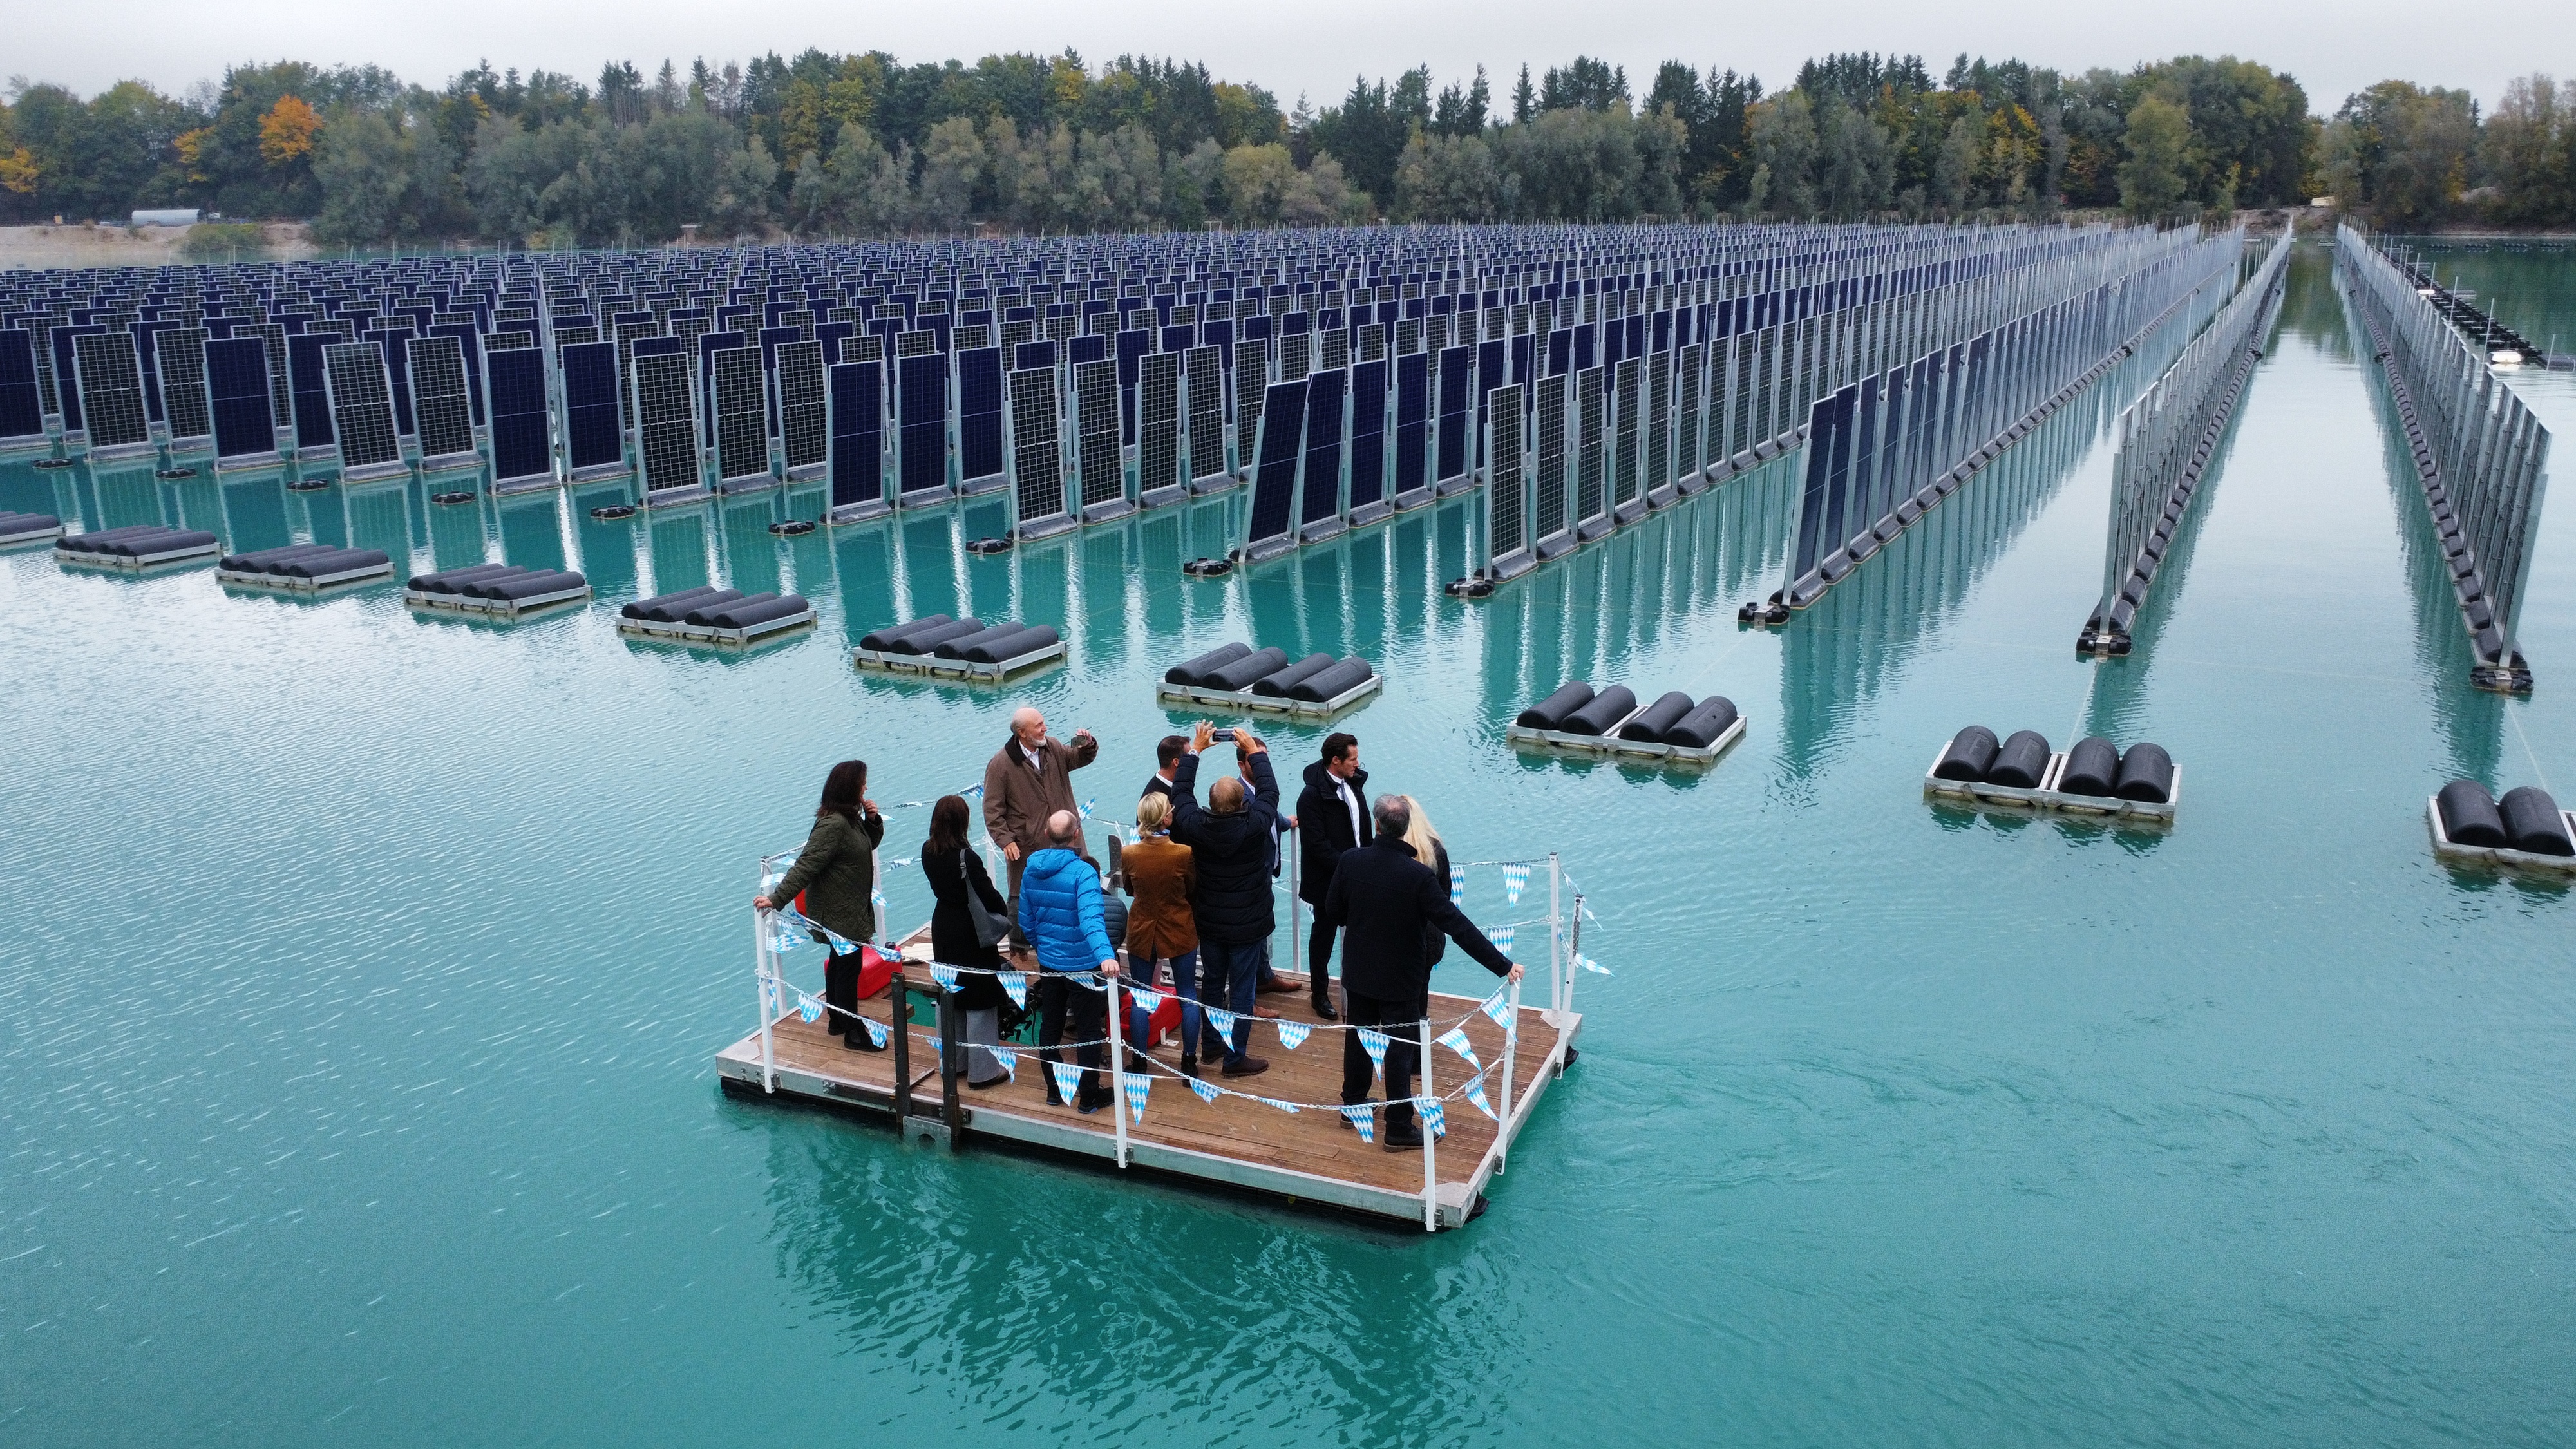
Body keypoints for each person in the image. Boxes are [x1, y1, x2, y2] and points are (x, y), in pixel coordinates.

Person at [1318, 795, 1524, 1150]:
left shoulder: (1351, 861)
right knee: (1400, 1051)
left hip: (1359, 972)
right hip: (1401, 980)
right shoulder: (1418, 876)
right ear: (1407, 829)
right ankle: (1398, 1127)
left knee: (1359, 1038)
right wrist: (1502, 965)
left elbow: (1333, 911)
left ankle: (1353, 1105)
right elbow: (1457, 926)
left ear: (1377, 825)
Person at [1168, 721, 1278, 1078]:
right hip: (1247, 924)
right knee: (1242, 990)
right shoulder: (1256, 825)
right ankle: (1235, 1058)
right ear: (1244, 801)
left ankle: (1212, 1046)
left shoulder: (1195, 825)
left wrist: (1196, 750)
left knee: (1213, 981)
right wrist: (1255, 751)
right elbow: (1271, 790)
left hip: (1211, 921)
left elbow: (1180, 794)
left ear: (1210, 805)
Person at [753, 761, 886, 1053]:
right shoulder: (834, 824)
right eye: (863, 782)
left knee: (840, 962)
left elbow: (866, 846)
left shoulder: (848, 818)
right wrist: (776, 899)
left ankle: (838, 1020)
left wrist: (872, 821)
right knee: (848, 967)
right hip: (839, 911)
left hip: (847, 907)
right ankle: (853, 1032)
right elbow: (806, 866)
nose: (866, 787)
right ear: (851, 787)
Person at [1015, 810, 1121, 1113]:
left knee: (1051, 1024)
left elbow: (1026, 919)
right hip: (1083, 966)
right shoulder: (1084, 873)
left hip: (1049, 963)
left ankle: (1054, 1090)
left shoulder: (1031, 869)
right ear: (1076, 835)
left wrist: (1042, 946)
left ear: (1047, 835)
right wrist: (1106, 956)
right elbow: (1091, 919)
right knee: (1088, 1030)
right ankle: (1089, 1096)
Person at [920, 795, 1012, 1089]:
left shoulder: (927, 850)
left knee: (953, 995)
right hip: (971, 930)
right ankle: (983, 1072)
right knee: (980, 1000)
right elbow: (988, 894)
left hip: (943, 926)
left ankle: (955, 1064)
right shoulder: (967, 857)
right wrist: (1004, 910)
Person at [982, 707, 1098, 934]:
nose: (1045, 728)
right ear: (1022, 733)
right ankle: (1019, 946)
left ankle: (1076, 934)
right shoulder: (1000, 765)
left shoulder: (1052, 747)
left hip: (1068, 837)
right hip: (1029, 845)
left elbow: (1078, 758)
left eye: (1043, 723)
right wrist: (1006, 841)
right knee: (1022, 896)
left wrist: (1088, 745)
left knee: (1075, 887)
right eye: (1039, 725)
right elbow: (992, 811)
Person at [1121, 793, 1206, 1072]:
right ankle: (1189, 1062)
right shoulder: (1183, 853)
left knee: (1141, 997)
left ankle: (1139, 1061)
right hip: (1179, 927)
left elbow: (1130, 890)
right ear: (1167, 818)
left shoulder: (1129, 853)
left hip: (1143, 930)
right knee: (1187, 995)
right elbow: (1191, 888)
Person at [1293, 732, 1369, 1021]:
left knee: (1361, 936)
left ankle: (1361, 992)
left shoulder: (1353, 783)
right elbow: (1317, 845)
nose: (1358, 764)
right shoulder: (1311, 796)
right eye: (1352, 759)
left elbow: (1363, 832)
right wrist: (1352, 868)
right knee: (1323, 938)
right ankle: (1319, 994)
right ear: (1335, 761)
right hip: (1328, 881)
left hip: (1358, 875)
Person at [1141, 735, 1186, 803]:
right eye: (1190, 756)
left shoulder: (1179, 783)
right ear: (1176, 762)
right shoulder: (1154, 802)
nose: (1192, 760)